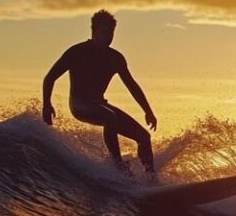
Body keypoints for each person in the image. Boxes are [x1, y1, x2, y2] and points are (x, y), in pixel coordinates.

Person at [42, 10, 158, 180]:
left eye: (111, 32)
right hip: (79, 104)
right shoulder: (77, 52)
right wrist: (46, 104)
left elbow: (132, 85)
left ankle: (151, 178)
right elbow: (50, 77)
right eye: (104, 32)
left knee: (144, 137)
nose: (108, 36)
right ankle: (117, 165)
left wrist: (148, 111)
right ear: (94, 31)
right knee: (110, 117)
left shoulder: (115, 58)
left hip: (100, 105)